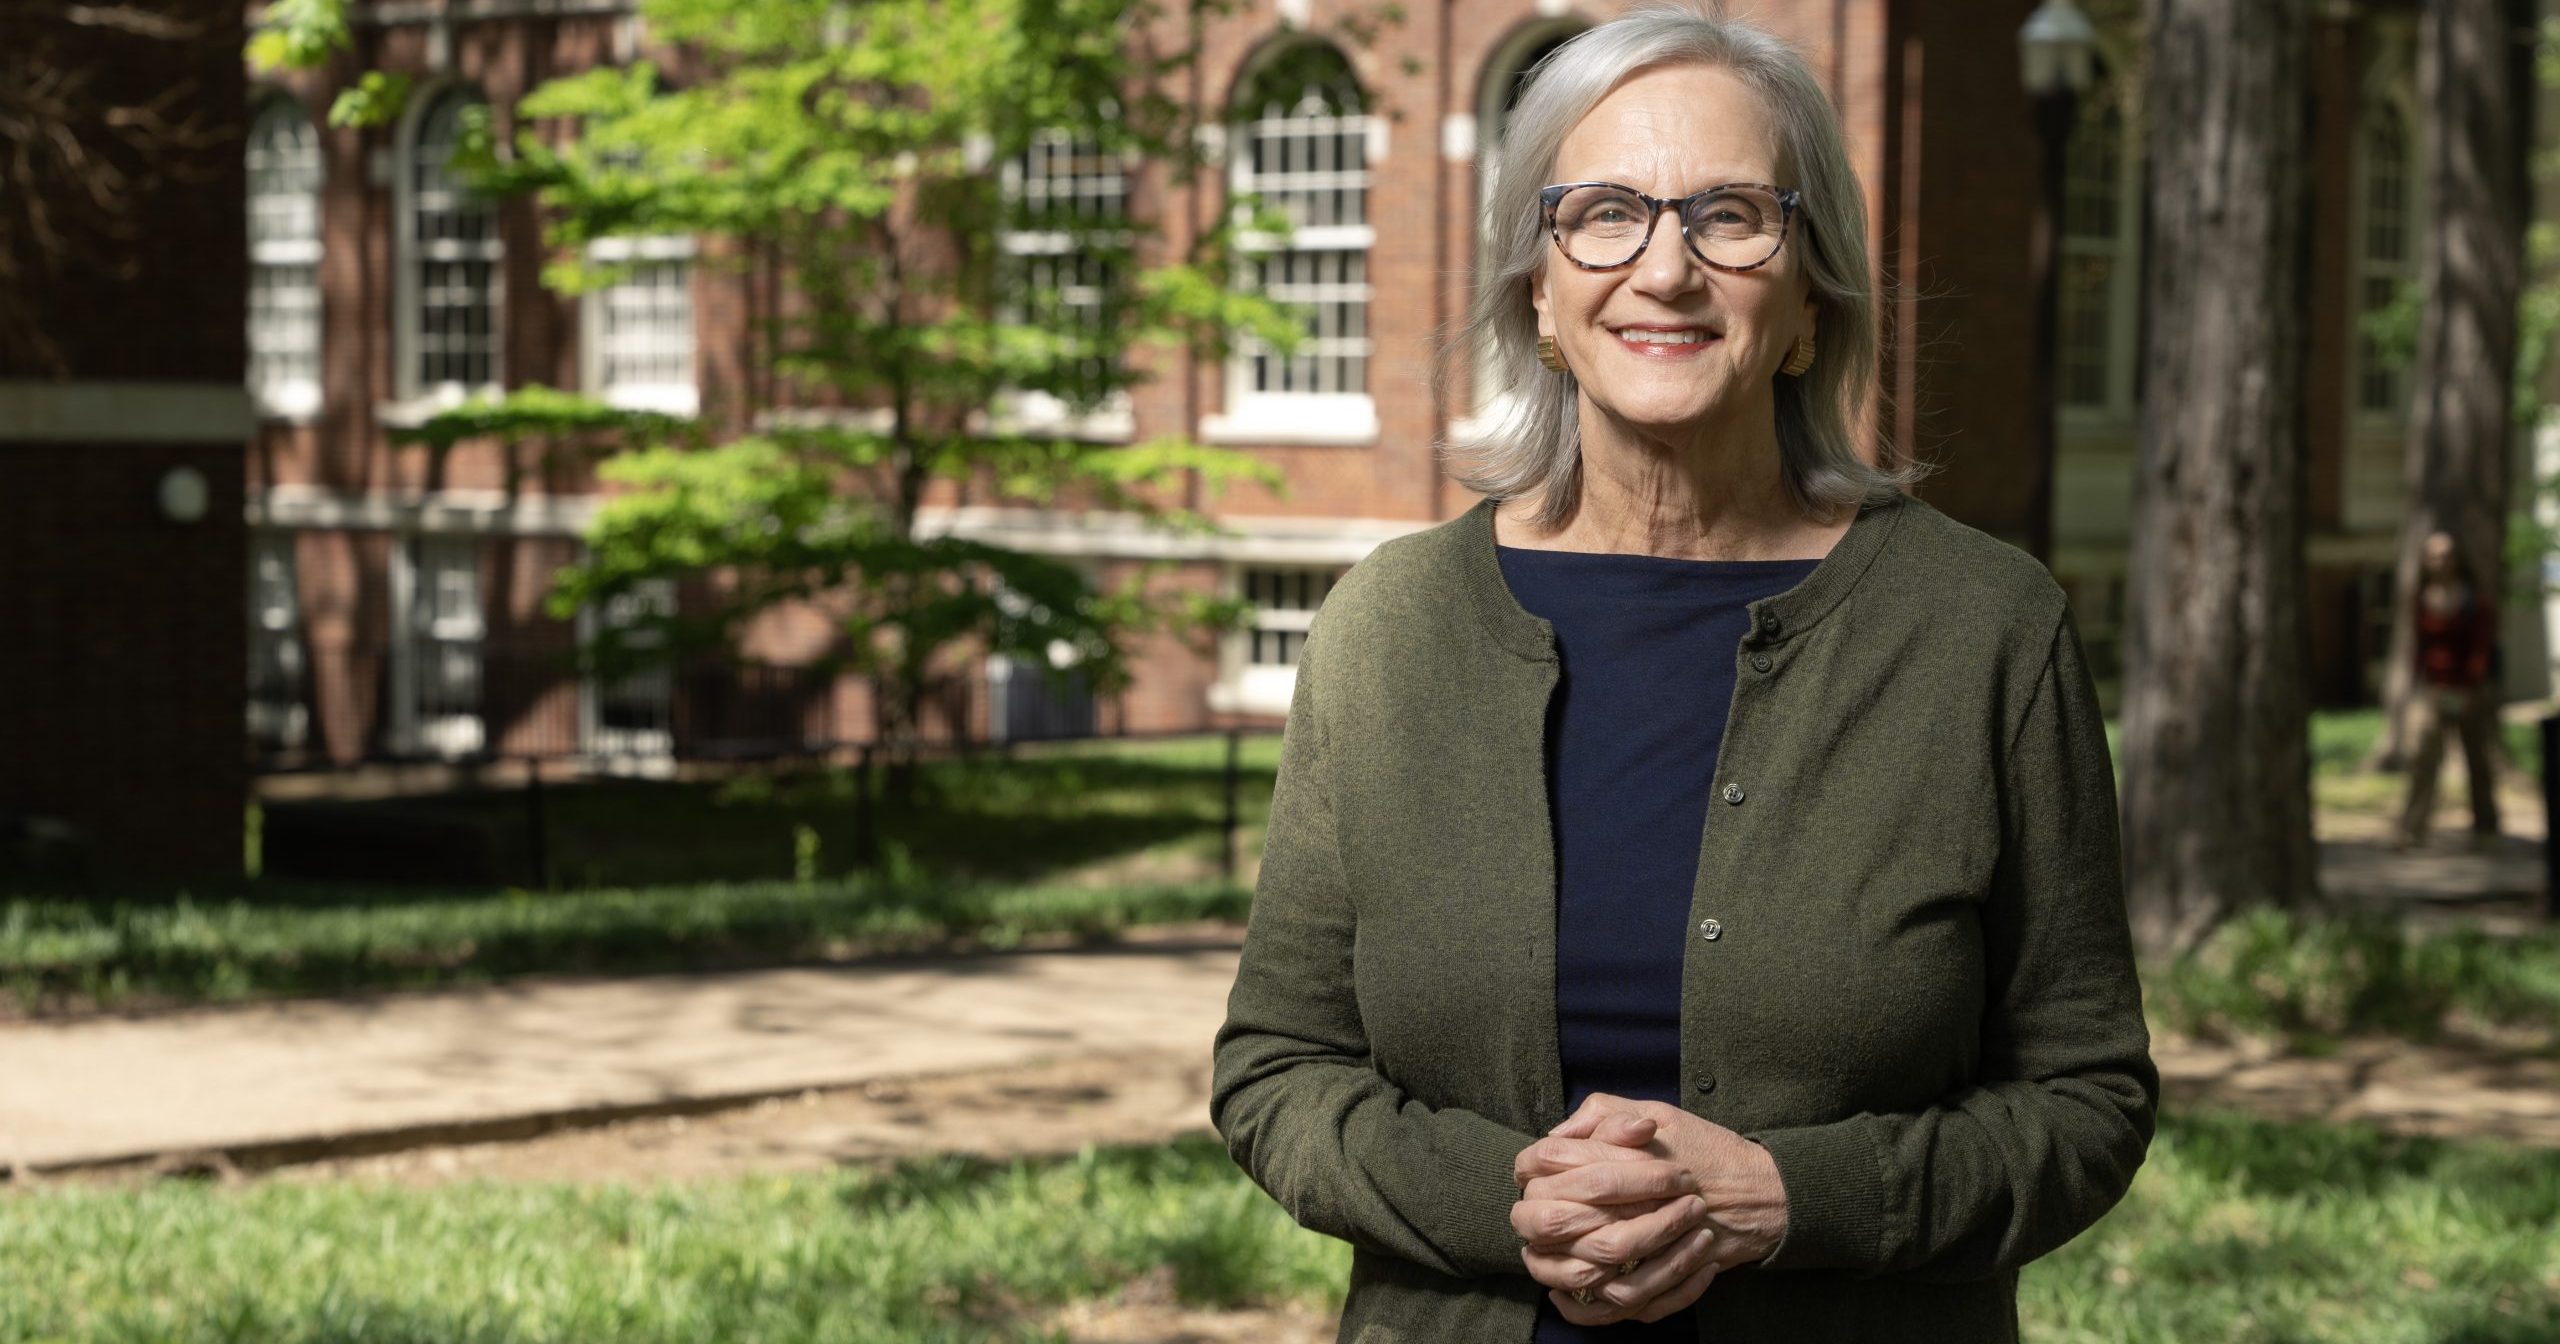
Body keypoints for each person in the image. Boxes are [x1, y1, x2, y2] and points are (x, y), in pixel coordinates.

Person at [1209, 8, 2156, 1342]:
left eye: (1730, 216)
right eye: (1603, 213)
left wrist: (1789, 1198)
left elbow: (2088, 1101)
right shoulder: (1387, 629)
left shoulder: (1983, 630)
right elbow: (1276, 1071)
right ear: (1538, 292)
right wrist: (1506, 1199)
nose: (1664, 269)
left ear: (1812, 299)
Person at [2394, 529, 2502, 850]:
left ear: (2457, 559)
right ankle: (2412, 829)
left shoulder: (2473, 600)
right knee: (2424, 760)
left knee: (2477, 761)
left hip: (2469, 691)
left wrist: (2470, 687)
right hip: (2433, 691)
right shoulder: (2421, 600)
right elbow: (2419, 649)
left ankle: (2486, 831)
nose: (2440, 561)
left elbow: (2481, 648)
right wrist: (2418, 687)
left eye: (2446, 554)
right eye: (2433, 555)